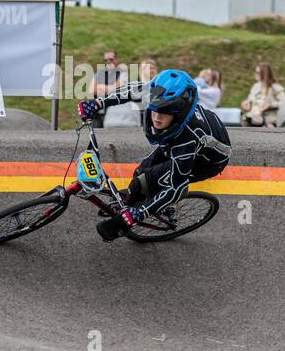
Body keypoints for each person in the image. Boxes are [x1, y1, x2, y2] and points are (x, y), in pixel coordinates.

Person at [77, 69, 232, 241]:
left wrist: (139, 214)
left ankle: (136, 214)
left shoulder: (187, 141)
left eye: (164, 111)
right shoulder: (161, 93)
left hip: (205, 161)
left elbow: (176, 187)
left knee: (147, 180)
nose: (157, 116)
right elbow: (129, 90)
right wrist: (98, 104)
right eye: (154, 108)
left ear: (179, 111)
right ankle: (134, 200)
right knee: (140, 172)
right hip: (183, 140)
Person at [240, 63, 285, 127]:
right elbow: (250, 99)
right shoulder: (255, 86)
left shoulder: (275, 87)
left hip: (268, 121)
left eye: (257, 72)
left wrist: (270, 105)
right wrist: (245, 103)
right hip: (252, 118)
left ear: (264, 73)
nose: (255, 74)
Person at [90, 50, 128, 128]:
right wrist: (111, 88)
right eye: (106, 60)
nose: (108, 62)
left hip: (114, 110)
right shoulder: (98, 74)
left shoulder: (122, 74)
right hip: (98, 111)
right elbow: (91, 90)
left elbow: (119, 89)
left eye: (111, 59)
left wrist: (100, 87)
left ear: (116, 60)